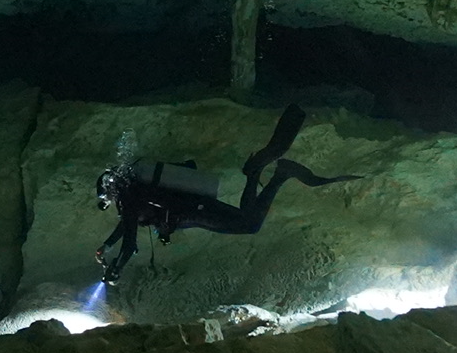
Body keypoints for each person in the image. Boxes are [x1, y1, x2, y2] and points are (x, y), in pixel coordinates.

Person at [93, 104, 360, 284]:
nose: (110, 203)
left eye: (107, 200)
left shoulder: (129, 201)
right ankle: (270, 173)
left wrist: (116, 270)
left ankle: (270, 174)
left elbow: (130, 243)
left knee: (251, 224)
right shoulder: (133, 196)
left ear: (112, 191)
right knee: (248, 222)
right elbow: (124, 230)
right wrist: (106, 247)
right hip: (195, 208)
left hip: (195, 213)